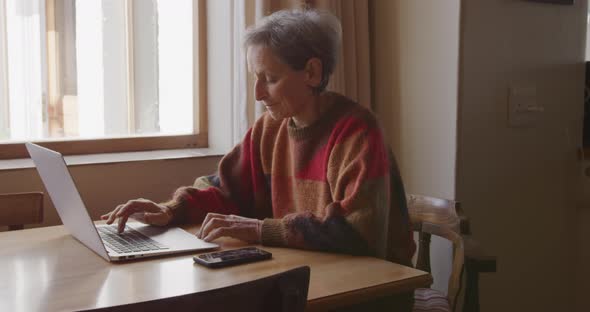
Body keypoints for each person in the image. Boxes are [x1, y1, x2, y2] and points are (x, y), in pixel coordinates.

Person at [101, 8, 415, 266]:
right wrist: (170, 209)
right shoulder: (270, 128)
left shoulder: (357, 132)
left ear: (312, 73)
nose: (257, 94)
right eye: (255, 78)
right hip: (312, 273)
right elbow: (223, 188)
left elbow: (357, 231)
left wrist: (260, 229)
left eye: (271, 79)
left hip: (374, 290)